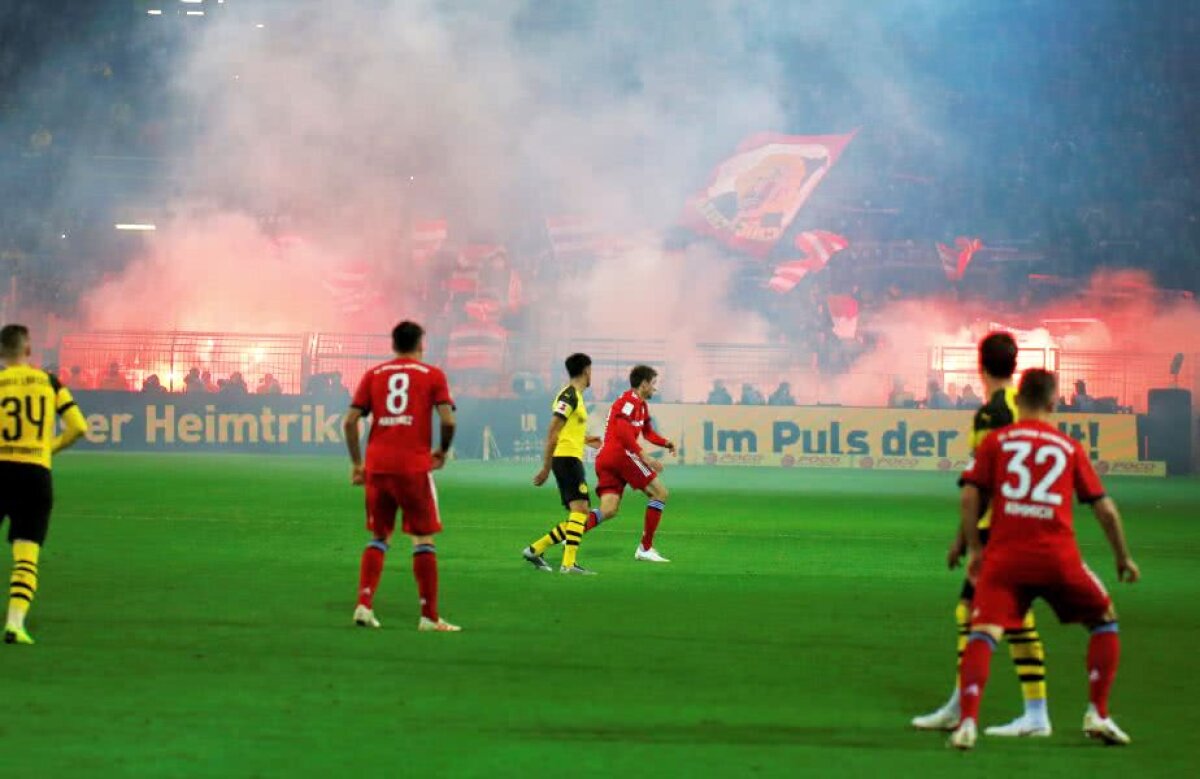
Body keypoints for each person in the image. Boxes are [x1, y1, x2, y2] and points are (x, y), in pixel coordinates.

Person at [948, 369, 1138, 750]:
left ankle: (967, 721)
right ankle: (1097, 713)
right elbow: (1105, 510)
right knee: (1104, 622)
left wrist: (971, 547)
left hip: (1005, 559)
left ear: (1019, 401)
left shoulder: (997, 441)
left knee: (983, 632)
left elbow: (971, 497)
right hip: (1057, 558)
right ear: (1053, 403)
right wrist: (1123, 557)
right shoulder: (1067, 446)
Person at [913, 332, 1052, 736]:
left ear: (981, 365)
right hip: (1031, 522)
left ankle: (966, 705)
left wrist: (967, 540)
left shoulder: (991, 414)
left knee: (975, 614)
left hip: (1001, 531)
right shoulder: (1024, 406)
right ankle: (1032, 712)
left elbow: (982, 483)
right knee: (1013, 616)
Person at [342, 321, 459, 632]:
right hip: (413, 467)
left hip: (377, 466)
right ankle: (429, 617)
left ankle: (364, 605)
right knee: (423, 538)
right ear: (421, 344)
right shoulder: (433, 374)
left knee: (379, 537)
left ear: (393, 345)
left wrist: (357, 463)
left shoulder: (374, 374)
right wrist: (442, 451)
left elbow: (350, 420)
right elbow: (448, 420)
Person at [0, 324, 88, 644]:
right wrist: (46, 448)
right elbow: (79, 426)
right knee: (26, 555)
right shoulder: (49, 382)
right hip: (34, 475)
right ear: (28, 350)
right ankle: (14, 624)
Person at [522, 353, 606, 574]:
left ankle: (535, 550)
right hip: (565, 459)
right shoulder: (568, 395)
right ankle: (568, 564)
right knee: (581, 510)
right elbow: (553, 432)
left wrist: (587, 440)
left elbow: (567, 431)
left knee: (579, 513)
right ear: (587, 370)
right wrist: (546, 468)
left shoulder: (575, 396)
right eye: (591, 371)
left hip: (570, 457)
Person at [595, 365, 677, 562]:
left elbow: (647, 433)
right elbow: (623, 432)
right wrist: (645, 456)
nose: (655, 388)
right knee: (660, 493)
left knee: (608, 509)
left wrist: (665, 443)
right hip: (620, 455)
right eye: (653, 383)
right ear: (644, 384)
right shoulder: (629, 402)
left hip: (608, 457)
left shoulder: (640, 405)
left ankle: (571, 531)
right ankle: (645, 548)